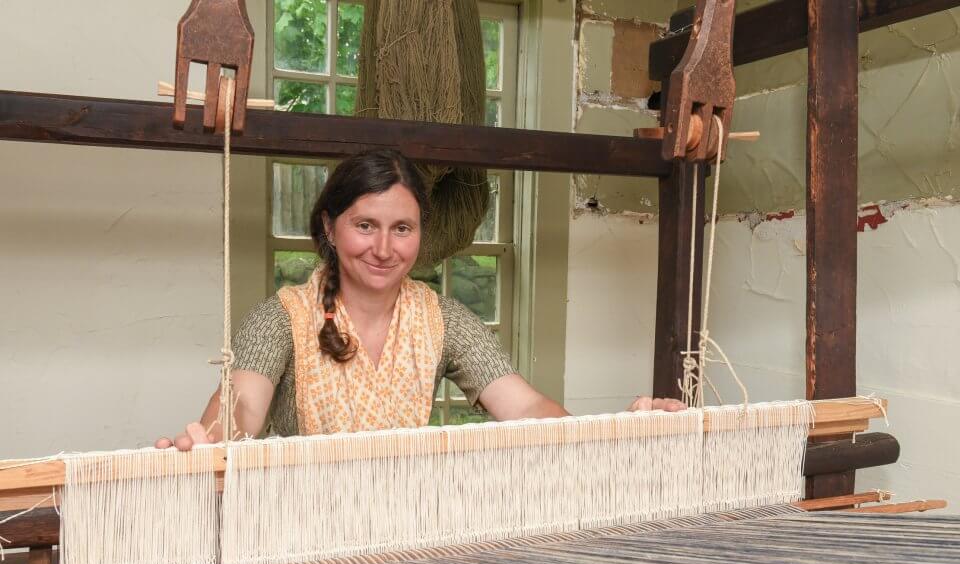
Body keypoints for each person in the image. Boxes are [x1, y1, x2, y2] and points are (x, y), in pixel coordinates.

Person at [156, 150, 684, 451]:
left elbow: (524, 407)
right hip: (304, 538)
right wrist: (209, 441)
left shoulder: (442, 320)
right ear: (329, 227)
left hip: (407, 532)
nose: (384, 249)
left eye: (402, 229)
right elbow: (242, 406)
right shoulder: (280, 318)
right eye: (365, 225)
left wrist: (617, 433)